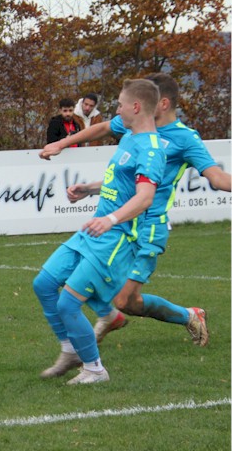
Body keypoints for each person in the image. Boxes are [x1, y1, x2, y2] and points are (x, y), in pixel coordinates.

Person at [41, 73, 231, 346]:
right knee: (100, 285)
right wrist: (63, 145)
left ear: (162, 103)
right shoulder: (135, 124)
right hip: (122, 223)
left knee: (126, 301)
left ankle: (188, 315)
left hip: (149, 227)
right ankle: (104, 321)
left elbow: (218, 178)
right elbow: (104, 128)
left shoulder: (185, 139)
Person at [32, 79, 165, 384]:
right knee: (44, 283)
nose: (116, 111)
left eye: (120, 105)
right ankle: (71, 350)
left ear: (136, 107)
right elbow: (106, 138)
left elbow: (145, 198)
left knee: (68, 303)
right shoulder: (130, 134)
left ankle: (94, 369)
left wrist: (112, 220)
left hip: (117, 238)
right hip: (96, 228)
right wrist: (89, 189)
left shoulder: (151, 149)